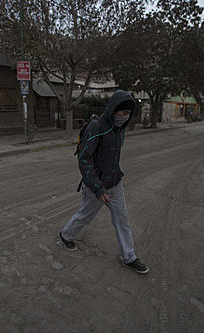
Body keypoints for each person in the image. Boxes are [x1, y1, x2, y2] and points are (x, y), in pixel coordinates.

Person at [59, 90, 149, 274]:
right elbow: (85, 160)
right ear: (112, 109)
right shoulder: (96, 127)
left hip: (115, 183)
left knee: (122, 220)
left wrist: (113, 178)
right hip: (95, 188)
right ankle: (66, 235)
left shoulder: (119, 129)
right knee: (86, 215)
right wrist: (98, 188)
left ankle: (129, 257)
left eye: (127, 114)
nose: (124, 117)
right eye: (121, 113)